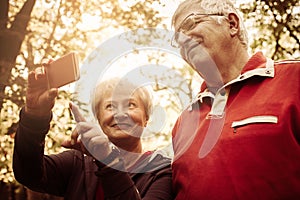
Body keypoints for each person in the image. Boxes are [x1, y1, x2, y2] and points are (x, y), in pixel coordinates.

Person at [170, 0, 300, 199]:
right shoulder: (183, 122)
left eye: (190, 24)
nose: (183, 40)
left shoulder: (294, 79)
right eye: (177, 40)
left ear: (232, 24)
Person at [13, 66, 173, 200]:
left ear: (146, 118)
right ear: (98, 119)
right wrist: (34, 117)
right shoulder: (79, 163)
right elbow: (29, 174)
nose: (120, 113)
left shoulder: (160, 171)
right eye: (110, 106)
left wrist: (109, 160)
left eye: (130, 105)